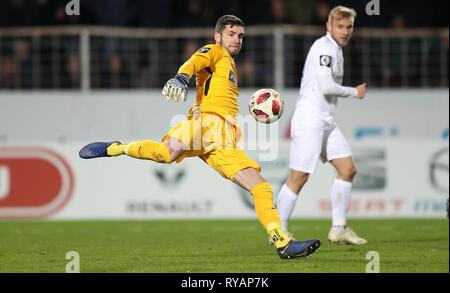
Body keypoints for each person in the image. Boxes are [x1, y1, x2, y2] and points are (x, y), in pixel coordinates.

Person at [79, 15, 321, 259]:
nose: (237, 40)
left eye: (240, 36)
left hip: (224, 138)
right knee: (166, 154)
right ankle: (115, 148)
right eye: (231, 34)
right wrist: (181, 77)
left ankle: (282, 242)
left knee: (261, 187)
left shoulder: (230, 64)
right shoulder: (215, 51)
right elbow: (194, 61)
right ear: (218, 36)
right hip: (204, 122)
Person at [275, 6, 368, 245]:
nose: (345, 31)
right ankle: (278, 231)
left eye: (349, 27)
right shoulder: (323, 48)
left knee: (348, 169)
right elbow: (326, 86)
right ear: (328, 26)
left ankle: (339, 228)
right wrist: (354, 92)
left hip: (325, 121)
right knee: (299, 176)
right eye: (340, 26)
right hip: (310, 120)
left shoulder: (336, 50)